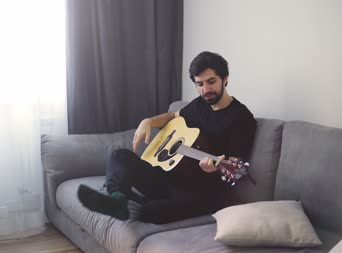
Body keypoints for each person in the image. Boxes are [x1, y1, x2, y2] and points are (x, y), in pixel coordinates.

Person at [78, 51, 256, 224]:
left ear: (225, 79)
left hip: (201, 193)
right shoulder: (200, 105)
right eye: (199, 84)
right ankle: (117, 201)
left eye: (211, 82)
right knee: (118, 155)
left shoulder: (241, 118)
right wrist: (148, 121)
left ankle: (132, 201)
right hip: (171, 177)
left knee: (150, 213)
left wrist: (216, 168)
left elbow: (237, 170)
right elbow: (172, 116)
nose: (206, 89)